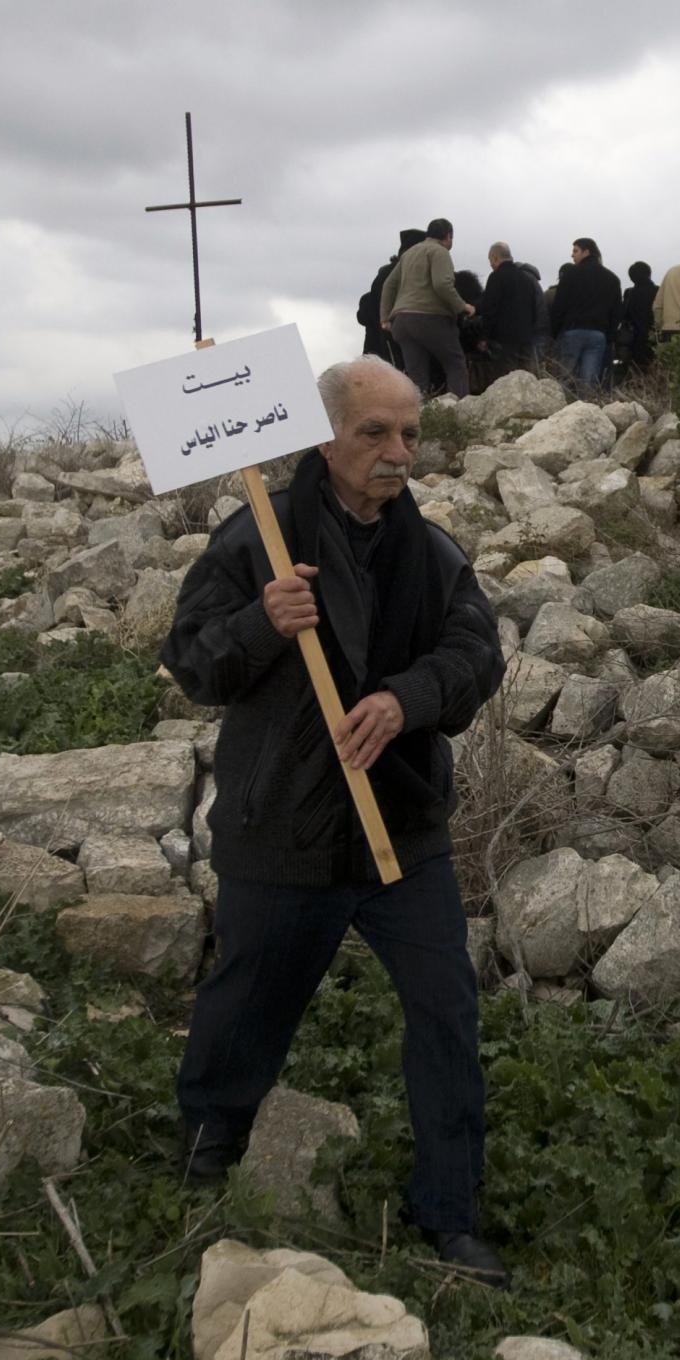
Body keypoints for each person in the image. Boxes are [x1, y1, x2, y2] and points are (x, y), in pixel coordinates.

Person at [163, 357, 508, 1284]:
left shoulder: (429, 551)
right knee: (249, 997)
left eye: (410, 435)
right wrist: (261, 623)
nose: (399, 454)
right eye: (376, 434)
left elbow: (477, 651)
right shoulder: (258, 540)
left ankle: (451, 1211)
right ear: (326, 436)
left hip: (399, 825)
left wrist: (408, 697)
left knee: (445, 1010)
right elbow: (192, 661)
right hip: (281, 823)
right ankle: (209, 1144)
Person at [380, 219, 473, 397]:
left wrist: (384, 318)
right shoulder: (440, 252)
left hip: (402, 322)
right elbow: (441, 285)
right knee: (455, 364)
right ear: (448, 236)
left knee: (417, 379)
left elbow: (389, 285)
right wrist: (463, 307)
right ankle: (460, 414)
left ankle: (418, 419)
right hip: (429, 319)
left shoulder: (409, 253)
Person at [548, 236, 624, 389]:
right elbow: (617, 311)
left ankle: (563, 410)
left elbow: (559, 306)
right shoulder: (612, 278)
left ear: (586, 252)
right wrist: (609, 335)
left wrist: (555, 332)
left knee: (564, 378)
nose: (572, 255)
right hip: (598, 334)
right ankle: (586, 409)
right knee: (588, 382)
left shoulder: (570, 274)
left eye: (575, 251)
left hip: (572, 330)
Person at [476, 244, 546, 375]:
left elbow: (490, 308)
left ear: (494, 257)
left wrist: (484, 337)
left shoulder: (496, 277)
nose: (491, 264)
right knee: (525, 379)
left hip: (503, 341)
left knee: (506, 381)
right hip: (526, 339)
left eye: (490, 260)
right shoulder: (527, 279)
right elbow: (535, 308)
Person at [359, 232, 415, 359]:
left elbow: (364, 314)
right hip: (391, 346)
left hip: (375, 351)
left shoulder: (384, 274)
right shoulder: (399, 274)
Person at [619, 261, 659, 374]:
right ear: (649, 274)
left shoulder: (629, 293)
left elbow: (623, 314)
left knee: (635, 372)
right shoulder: (658, 291)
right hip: (654, 338)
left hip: (633, 340)